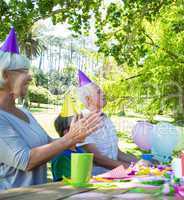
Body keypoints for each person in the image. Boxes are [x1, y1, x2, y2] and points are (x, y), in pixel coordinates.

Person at [0, 28, 102, 190]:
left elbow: (48, 144)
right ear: (5, 75)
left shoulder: (25, 112)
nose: (30, 76)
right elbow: (26, 160)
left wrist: (75, 136)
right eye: (23, 71)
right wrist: (69, 138)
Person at [76, 70, 138, 175]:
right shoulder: (83, 121)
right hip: (98, 180)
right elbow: (97, 158)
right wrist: (131, 168)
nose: (103, 94)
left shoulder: (106, 119)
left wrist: (140, 162)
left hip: (116, 176)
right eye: (98, 92)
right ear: (88, 99)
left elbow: (117, 153)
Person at [51, 95, 85, 182]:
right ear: (67, 132)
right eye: (80, 125)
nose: (85, 128)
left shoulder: (81, 151)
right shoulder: (61, 156)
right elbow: (65, 183)